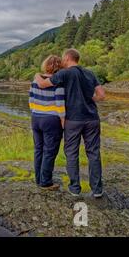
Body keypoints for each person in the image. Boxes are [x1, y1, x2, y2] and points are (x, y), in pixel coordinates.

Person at [34, 48, 106, 198]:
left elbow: (42, 84)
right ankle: (97, 189)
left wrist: (36, 75)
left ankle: (74, 188)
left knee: (72, 153)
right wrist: (87, 98)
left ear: (67, 58)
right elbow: (101, 95)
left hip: (73, 120)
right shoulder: (90, 73)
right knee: (93, 153)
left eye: (63, 58)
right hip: (92, 118)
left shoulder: (65, 73)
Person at [29, 55, 65, 191]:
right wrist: (63, 120)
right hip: (51, 120)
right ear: (59, 66)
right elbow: (60, 103)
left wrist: (35, 112)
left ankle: (38, 179)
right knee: (49, 152)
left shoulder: (35, 80)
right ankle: (45, 182)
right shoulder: (58, 82)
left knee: (38, 150)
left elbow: (31, 100)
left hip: (36, 118)